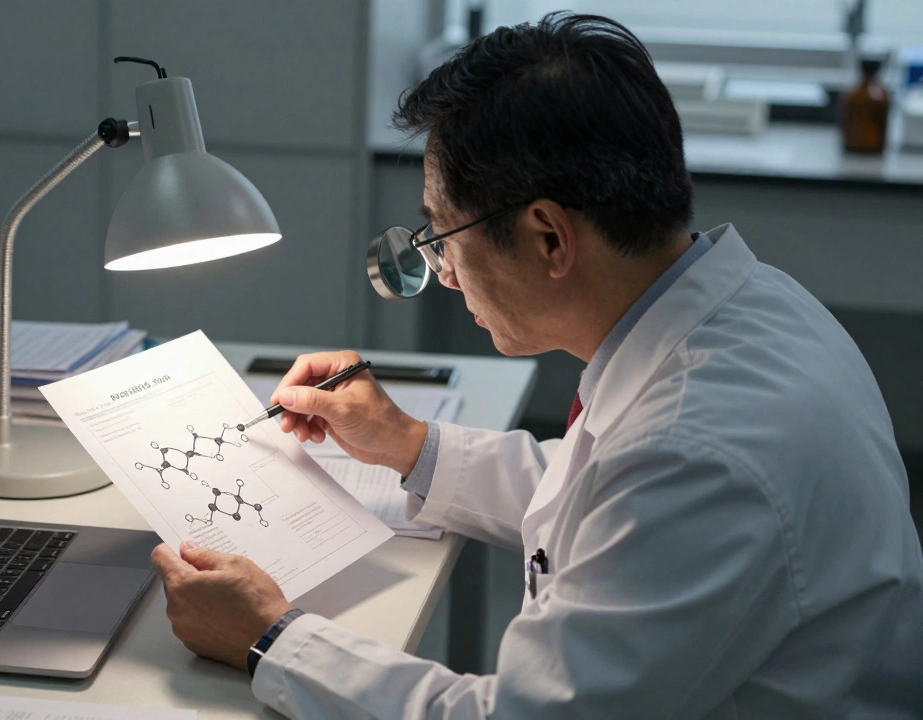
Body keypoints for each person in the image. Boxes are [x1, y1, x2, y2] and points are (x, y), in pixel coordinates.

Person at [150, 13, 923, 718]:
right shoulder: (746, 309)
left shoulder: (698, 452)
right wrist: (409, 445)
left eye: (443, 239)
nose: (444, 275)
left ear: (550, 237)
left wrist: (269, 638)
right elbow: (604, 498)